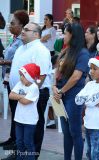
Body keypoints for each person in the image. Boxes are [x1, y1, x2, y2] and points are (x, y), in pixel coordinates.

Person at [9, 22, 52, 159]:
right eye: (23, 28)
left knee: (33, 129)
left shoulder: (40, 50)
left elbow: (42, 76)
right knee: (20, 128)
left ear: (36, 34)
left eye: (27, 29)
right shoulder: (22, 48)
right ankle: (20, 155)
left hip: (33, 96)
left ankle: (32, 157)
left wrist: (31, 94)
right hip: (20, 95)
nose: (23, 31)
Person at [53, 23, 89, 160]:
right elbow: (57, 70)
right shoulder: (65, 51)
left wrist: (61, 91)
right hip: (61, 95)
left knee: (75, 132)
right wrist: (54, 86)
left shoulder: (83, 53)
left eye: (65, 33)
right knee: (66, 132)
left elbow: (76, 77)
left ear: (73, 35)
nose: (63, 36)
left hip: (73, 96)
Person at [0, 10, 29, 160]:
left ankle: (18, 146)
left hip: (19, 84)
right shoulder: (15, 39)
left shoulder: (23, 42)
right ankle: (13, 139)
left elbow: (20, 61)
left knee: (18, 113)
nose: (10, 26)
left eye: (13, 23)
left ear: (22, 25)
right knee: (13, 111)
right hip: (10, 80)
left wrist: (4, 62)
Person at [75, 56, 99, 159]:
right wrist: (90, 99)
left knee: (96, 156)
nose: (91, 71)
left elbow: (90, 102)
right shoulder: (90, 84)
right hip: (88, 124)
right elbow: (77, 100)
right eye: (90, 68)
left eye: (95, 69)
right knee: (89, 154)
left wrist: (87, 99)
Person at [9, 63, 40, 160]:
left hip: (29, 121)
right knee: (19, 142)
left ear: (30, 76)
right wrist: (22, 96)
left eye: (23, 75)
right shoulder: (20, 84)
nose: (21, 78)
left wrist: (18, 97)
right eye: (20, 75)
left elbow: (25, 102)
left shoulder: (34, 87)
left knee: (28, 142)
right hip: (19, 119)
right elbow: (11, 95)